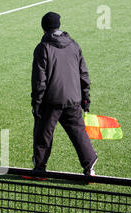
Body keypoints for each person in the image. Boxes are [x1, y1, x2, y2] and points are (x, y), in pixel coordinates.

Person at [31, 12, 98, 176]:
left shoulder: (43, 47)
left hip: (51, 100)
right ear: (58, 25)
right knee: (78, 133)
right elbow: (83, 74)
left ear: (43, 27)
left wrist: (36, 102)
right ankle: (90, 168)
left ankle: (40, 169)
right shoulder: (74, 45)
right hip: (74, 99)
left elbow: (39, 80)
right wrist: (86, 99)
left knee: (43, 134)